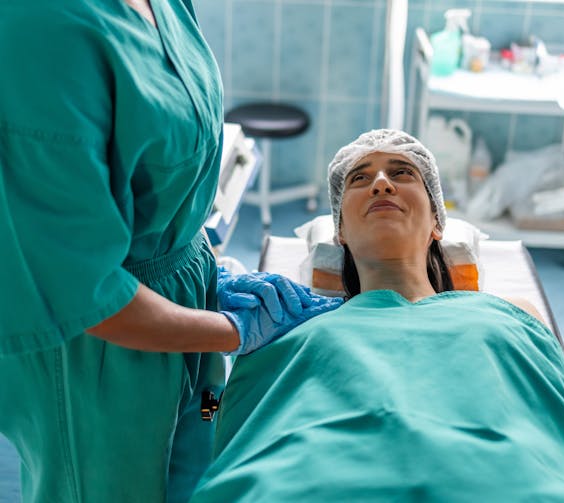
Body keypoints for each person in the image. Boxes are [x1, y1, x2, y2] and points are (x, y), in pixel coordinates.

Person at [190, 130, 564, 502]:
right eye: (360, 178)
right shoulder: (287, 330)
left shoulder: (508, 315)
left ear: (437, 223)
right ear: (340, 231)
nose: (382, 182)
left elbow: (558, 423)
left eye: (402, 173)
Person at [0, 2, 339, 502]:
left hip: (182, 319)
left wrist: (197, 271)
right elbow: (85, 293)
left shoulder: (167, 6)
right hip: (102, 361)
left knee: (193, 468)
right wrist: (235, 331)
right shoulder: (41, 29)